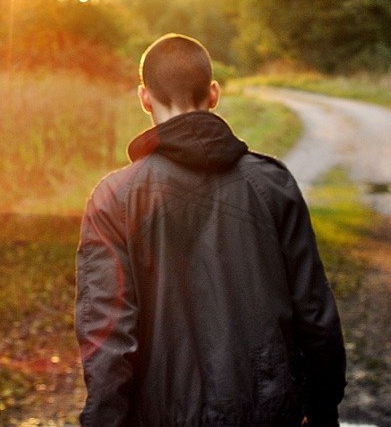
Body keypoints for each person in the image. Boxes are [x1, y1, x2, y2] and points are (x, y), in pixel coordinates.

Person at [75, 33, 346, 426]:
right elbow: (316, 314)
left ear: (145, 98)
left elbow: (108, 340)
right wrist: (323, 410)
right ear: (214, 93)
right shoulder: (273, 185)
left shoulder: (113, 199)